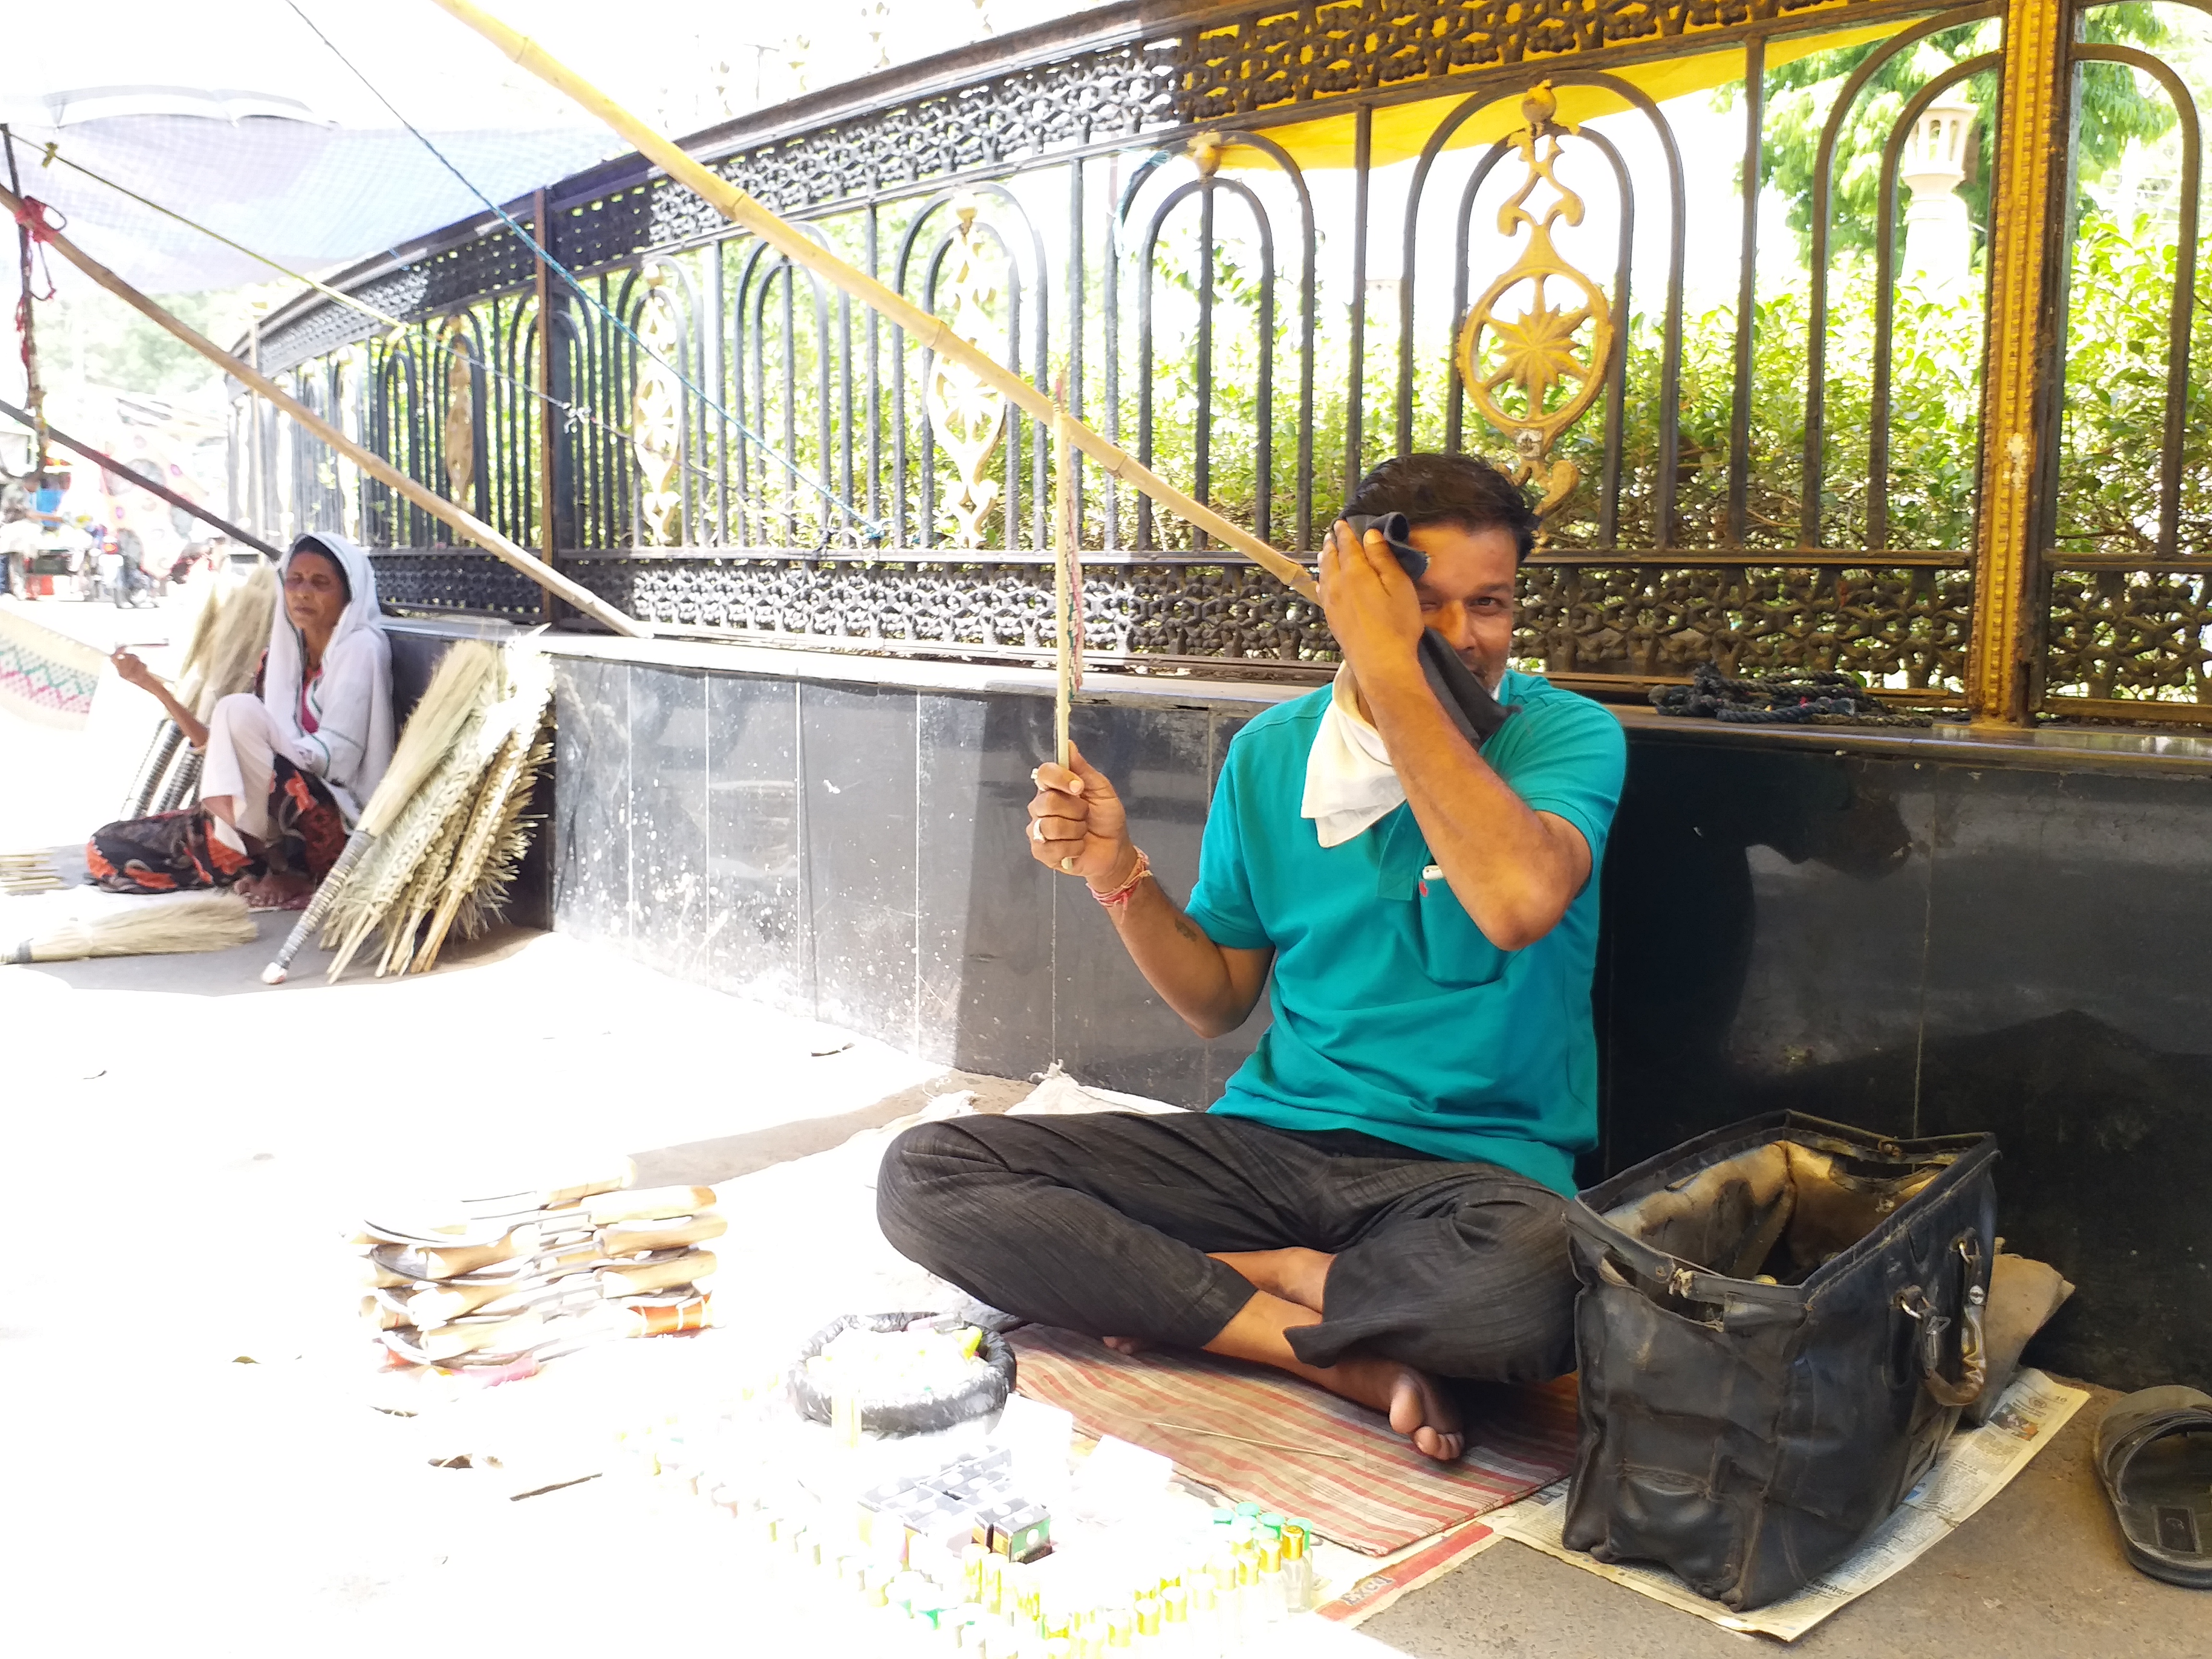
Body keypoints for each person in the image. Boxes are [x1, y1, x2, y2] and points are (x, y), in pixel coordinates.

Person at [877, 454, 1628, 1461]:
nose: (1464, 637)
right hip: (1269, 1150)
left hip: (1471, 1179)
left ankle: (1229, 1284)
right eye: (1427, 605)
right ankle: (1310, 1345)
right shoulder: (1274, 753)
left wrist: (1398, 665)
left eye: (1489, 604)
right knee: (929, 1172)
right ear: (1357, 603)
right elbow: (1216, 1001)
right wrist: (1117, 871)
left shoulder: (1564, 736)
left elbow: (1516, 901)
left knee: (1538, 1290)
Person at [90, 534, 393, 906]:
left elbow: (338, 759)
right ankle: (254, 860)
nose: (302, 593)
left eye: (320, 583)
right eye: (295, 580)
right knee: (107, 849)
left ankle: (292, 873)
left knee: (238, 710)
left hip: (329, 824)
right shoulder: (282, 660)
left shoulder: (361, 648)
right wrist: (153, 687)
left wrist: (261, 745)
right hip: (261, 817)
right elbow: (219, 744)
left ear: (349, 595)